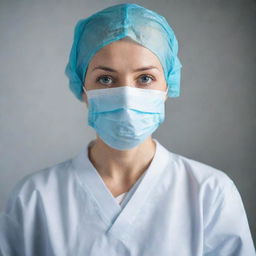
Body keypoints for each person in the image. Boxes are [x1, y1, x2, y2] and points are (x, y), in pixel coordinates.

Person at [0, 3, 255, 256]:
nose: (126, 96)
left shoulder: (210, 193)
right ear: (83, 89)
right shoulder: (34, 199)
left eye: (145, 78)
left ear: (167, 87)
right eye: (106, 79)